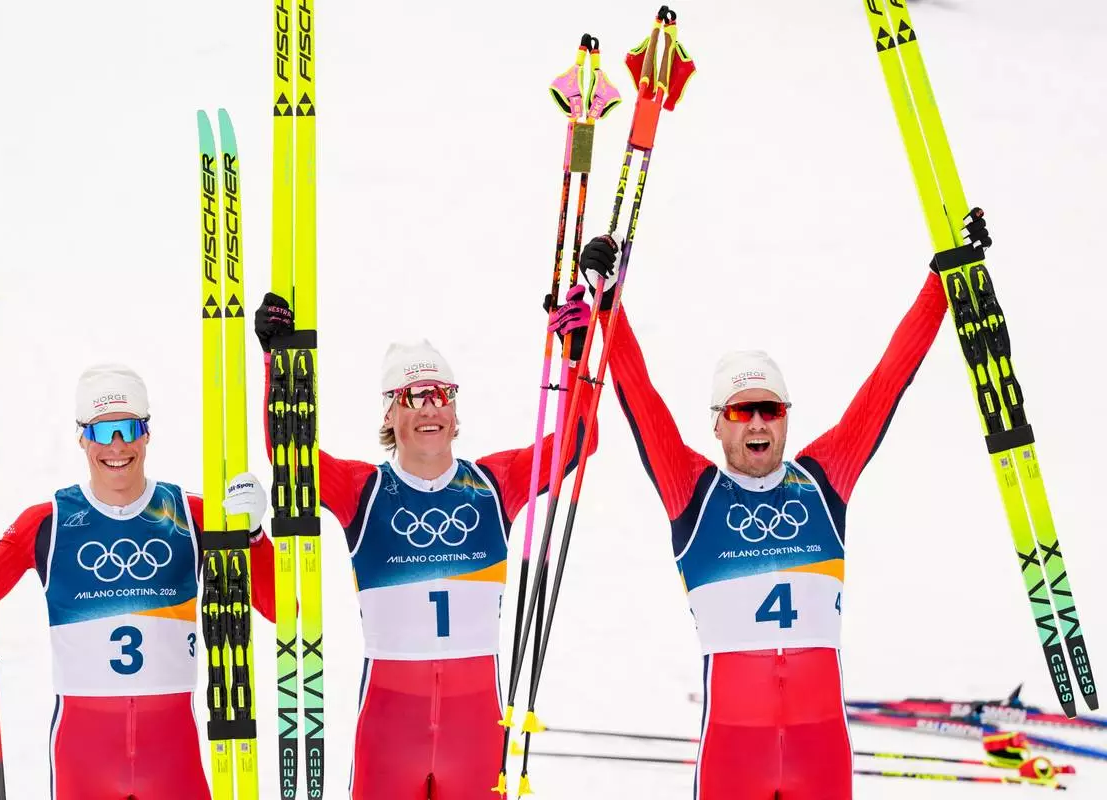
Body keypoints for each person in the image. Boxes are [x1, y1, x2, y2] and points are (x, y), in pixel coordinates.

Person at [578, 211, 990, 800]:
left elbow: (886, 382)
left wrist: (942, 283)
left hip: (820, 752)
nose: (758, 423)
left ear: (787, 419)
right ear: (718, 426)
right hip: (732, 757)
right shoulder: (692, 492)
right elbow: (639, 396)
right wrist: (607, 301)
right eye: (742, 411)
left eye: (771, 409)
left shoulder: (824, 480)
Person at [254, 287, 598, 800]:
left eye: (442, 395)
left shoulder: (493, 484)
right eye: (414, 397)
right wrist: (278, 363)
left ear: (456, 414)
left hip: (476, 728)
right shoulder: (363, 491)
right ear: (391, 415)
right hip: (390, 729)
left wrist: (576, 357)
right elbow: (292, 456)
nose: (430, 407)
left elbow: (576, 442)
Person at [0, 364, 276, 800]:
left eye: (129, 428)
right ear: (81, 437)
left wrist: (256, 535)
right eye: (101, 431)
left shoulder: (192, 514)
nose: (117, 445)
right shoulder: (47, 523)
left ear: (147, 433)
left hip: (173, 760)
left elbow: (282, 609)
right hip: (83, 761)